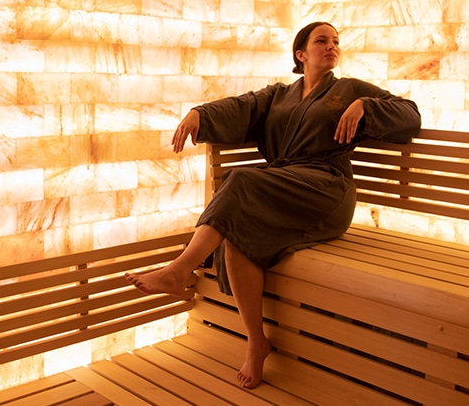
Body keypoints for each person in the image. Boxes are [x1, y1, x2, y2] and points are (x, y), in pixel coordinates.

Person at [124, 22, 421, 389]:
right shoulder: (279, 95)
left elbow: (410, 114)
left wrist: (366, 106)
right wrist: (200, 114)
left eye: (336, 42)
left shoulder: (349, 89)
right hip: (284, 188)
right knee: (236, 231)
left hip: (327, 189)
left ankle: (179, 270)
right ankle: (256, 342)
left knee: (242, 180)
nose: (332, 47)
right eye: (321, 41)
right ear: (301, 54)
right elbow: (241, 107)